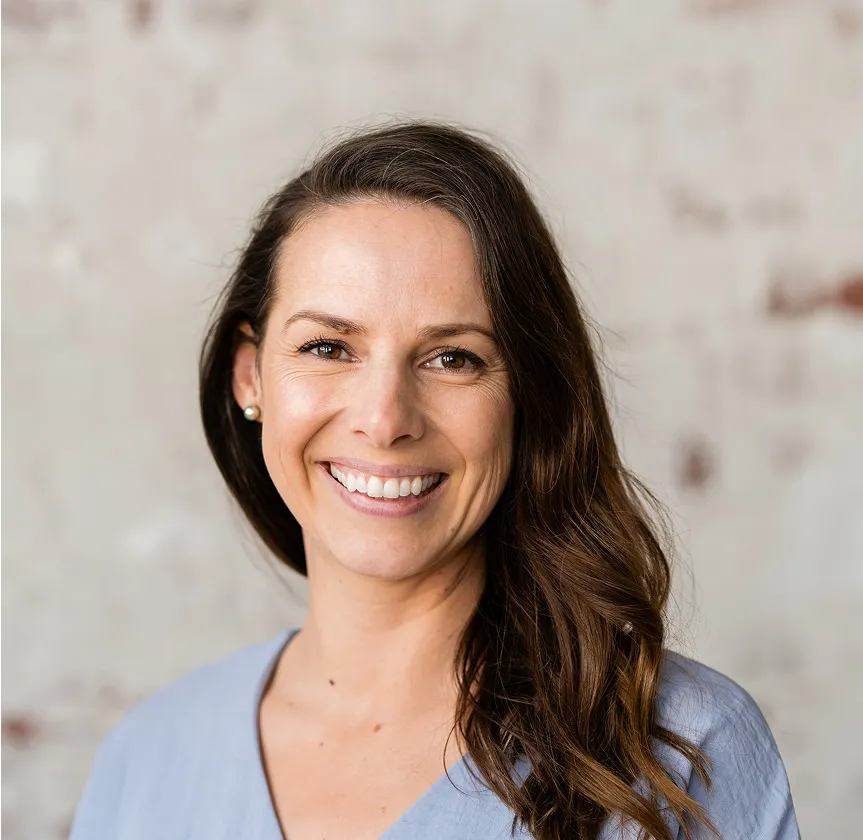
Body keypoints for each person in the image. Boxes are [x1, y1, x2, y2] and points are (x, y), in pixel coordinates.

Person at [68, 122, 800, 840]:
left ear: (526, 396)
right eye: (328, 347)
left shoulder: (676, 753)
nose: (385, 420)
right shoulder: (146, 761)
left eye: (453, 358)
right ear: (249, 374)